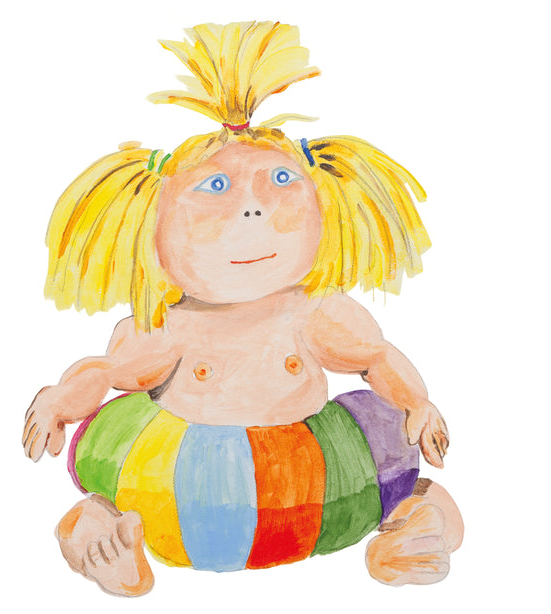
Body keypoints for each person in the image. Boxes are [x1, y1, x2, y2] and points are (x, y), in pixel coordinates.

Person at [23, 21, 463, 596]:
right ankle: (101, 540)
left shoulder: (313, 313)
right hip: (180, 489)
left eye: (280, 179)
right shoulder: (172, 326)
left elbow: (374, 357)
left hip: (315, 488)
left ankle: (415, 532)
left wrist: (418, 403)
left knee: (403, 463)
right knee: (104, 488)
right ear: (149, 225)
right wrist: (60, 401)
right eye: (214, 188)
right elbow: (108, 373)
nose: (253, 209)